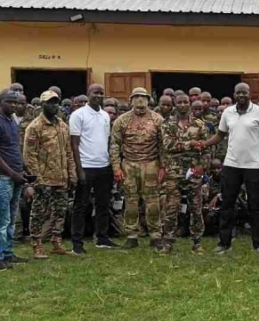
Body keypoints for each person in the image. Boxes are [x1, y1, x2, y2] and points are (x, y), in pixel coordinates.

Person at [203, 82, 259, 254]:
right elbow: (220, 135)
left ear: (250, 94)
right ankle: (224, 243)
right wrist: (203, 144)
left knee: (256, 205)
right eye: (238, 93)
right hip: (232, 164)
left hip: (254, 165)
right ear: (234, 95)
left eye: (245, 93)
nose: (241, 95)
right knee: (227, 204)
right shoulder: (228, 112)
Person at [23, 90, 77, 259]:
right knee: (39, 213)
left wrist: (71, 173)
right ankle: (37, 244)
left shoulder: (62, 125)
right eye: (50, 102)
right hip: (44, 179)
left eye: (56, 102)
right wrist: (37, 179)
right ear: (42, 105)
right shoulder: (35, 127)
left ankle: (56, 240)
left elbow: (68, 152)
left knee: (60, 211)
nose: (54, 105)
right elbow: (29, 156)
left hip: (61, 178)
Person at [110, 87, 165, 250]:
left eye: (143, 98)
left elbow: (163, 146)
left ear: (149, 100)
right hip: (129, 165)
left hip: (151, 164)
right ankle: (132, 235)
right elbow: (114, 145)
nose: (140, 101)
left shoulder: (158, 119)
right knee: (131, 202)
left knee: (153, 202)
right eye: (136, 98)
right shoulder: (122, 120)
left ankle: (155, 235)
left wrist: (163, 167)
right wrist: (116, 168)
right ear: (131, 100)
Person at [161, 93, 211, 253]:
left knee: (196, 208)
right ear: (175, 104)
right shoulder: (167, 124)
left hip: (194, 171)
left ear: (189, 104)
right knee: (171, 207)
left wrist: (203, 167)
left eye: (185, 102)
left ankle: (197, 242)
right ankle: (168, 242)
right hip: (174, 172)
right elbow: (168, 145)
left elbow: (207, 148)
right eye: (179, 102)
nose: (183, 105)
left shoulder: (199, 124)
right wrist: (190, 144)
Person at [0, 89, 28, 270]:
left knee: (10, 219)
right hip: (2, 178)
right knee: (1, 220)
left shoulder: (12, 121)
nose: (14, 105)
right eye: (10, 102)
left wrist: (23, 171)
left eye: (16, 102)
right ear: (0, 102)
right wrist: (12, 173)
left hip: (16, 177)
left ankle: (8, 253)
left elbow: (14, 149)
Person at [69, 84, 114, 254]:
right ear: (88, 94)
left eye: (102, 93)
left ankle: (102, 237)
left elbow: (106, 140)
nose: (99, 96)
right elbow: (74, 144)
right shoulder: (77, 115)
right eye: (96, 93)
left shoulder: (104, 116)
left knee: (103, 204)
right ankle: (77, 243)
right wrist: (79, 170)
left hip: (104, 166)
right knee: (80, 205)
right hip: (86, 167)